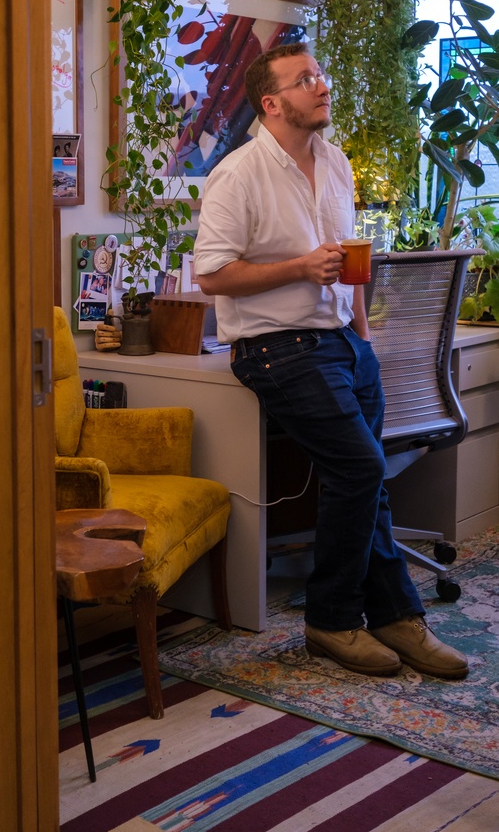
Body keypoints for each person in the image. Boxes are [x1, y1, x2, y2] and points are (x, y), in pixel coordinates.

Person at [194, 41, 469, 680]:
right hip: (274, 347)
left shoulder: (337, 163)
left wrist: (364, 338)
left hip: (344, 344)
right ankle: (331, 618)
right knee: (362, 468)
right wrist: (296, 267)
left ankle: (396, 618)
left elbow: (348, 269)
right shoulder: (237, 174)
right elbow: (210, 276)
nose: (321, 86)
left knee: (365, 483)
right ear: (272, 102)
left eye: (320, 74)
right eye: (305, 80)